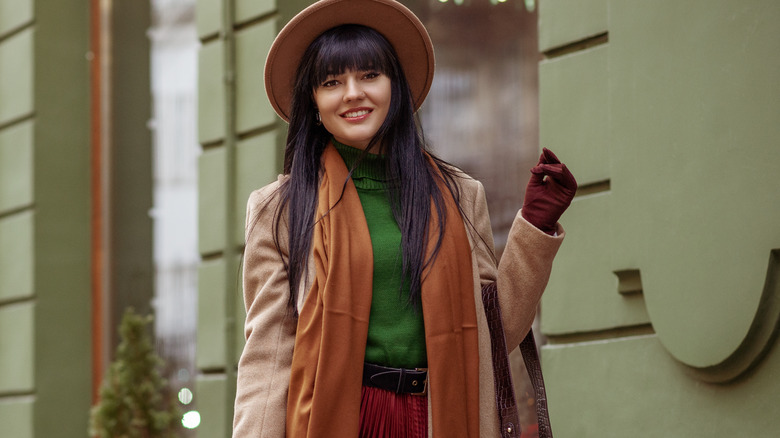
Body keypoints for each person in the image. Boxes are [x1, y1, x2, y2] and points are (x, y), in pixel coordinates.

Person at [233, 0, 577, 437]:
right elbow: (269, 355)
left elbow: (490, 336)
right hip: (343, 418)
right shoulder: (279, 208)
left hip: (441, 415)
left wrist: (536, 228)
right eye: (332, 82)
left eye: (370, 75)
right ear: (313, 103)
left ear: (395, 87)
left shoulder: (458, 195)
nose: (353, 93)